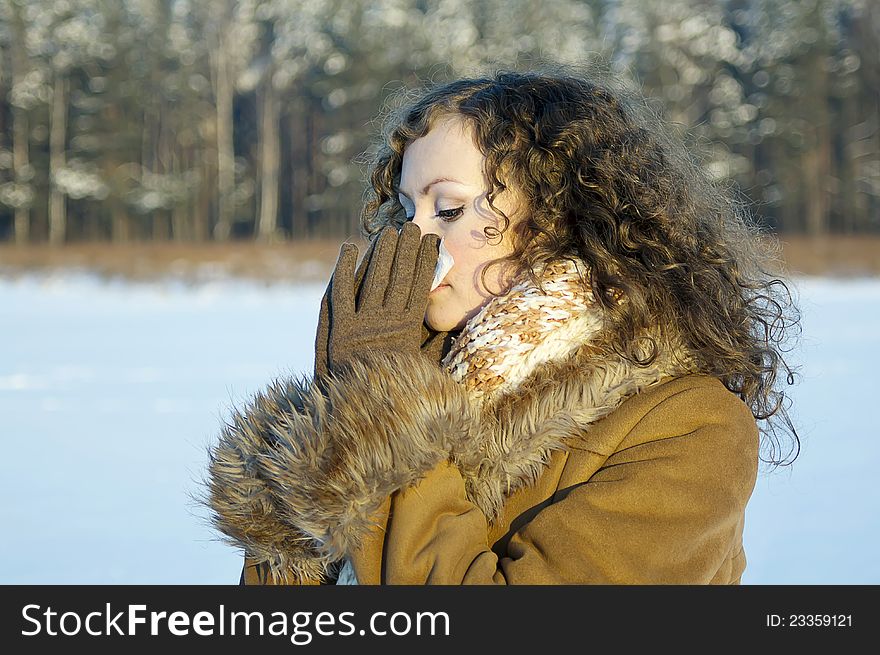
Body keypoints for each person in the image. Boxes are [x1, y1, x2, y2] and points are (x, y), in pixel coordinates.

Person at [205, 67, 800, 585]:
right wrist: (334, 429)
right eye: (408, 210)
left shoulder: (688, 425)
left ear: (557, 218)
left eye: (450, 209)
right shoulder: (415, 367)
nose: (415, 238)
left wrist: (384, 416)